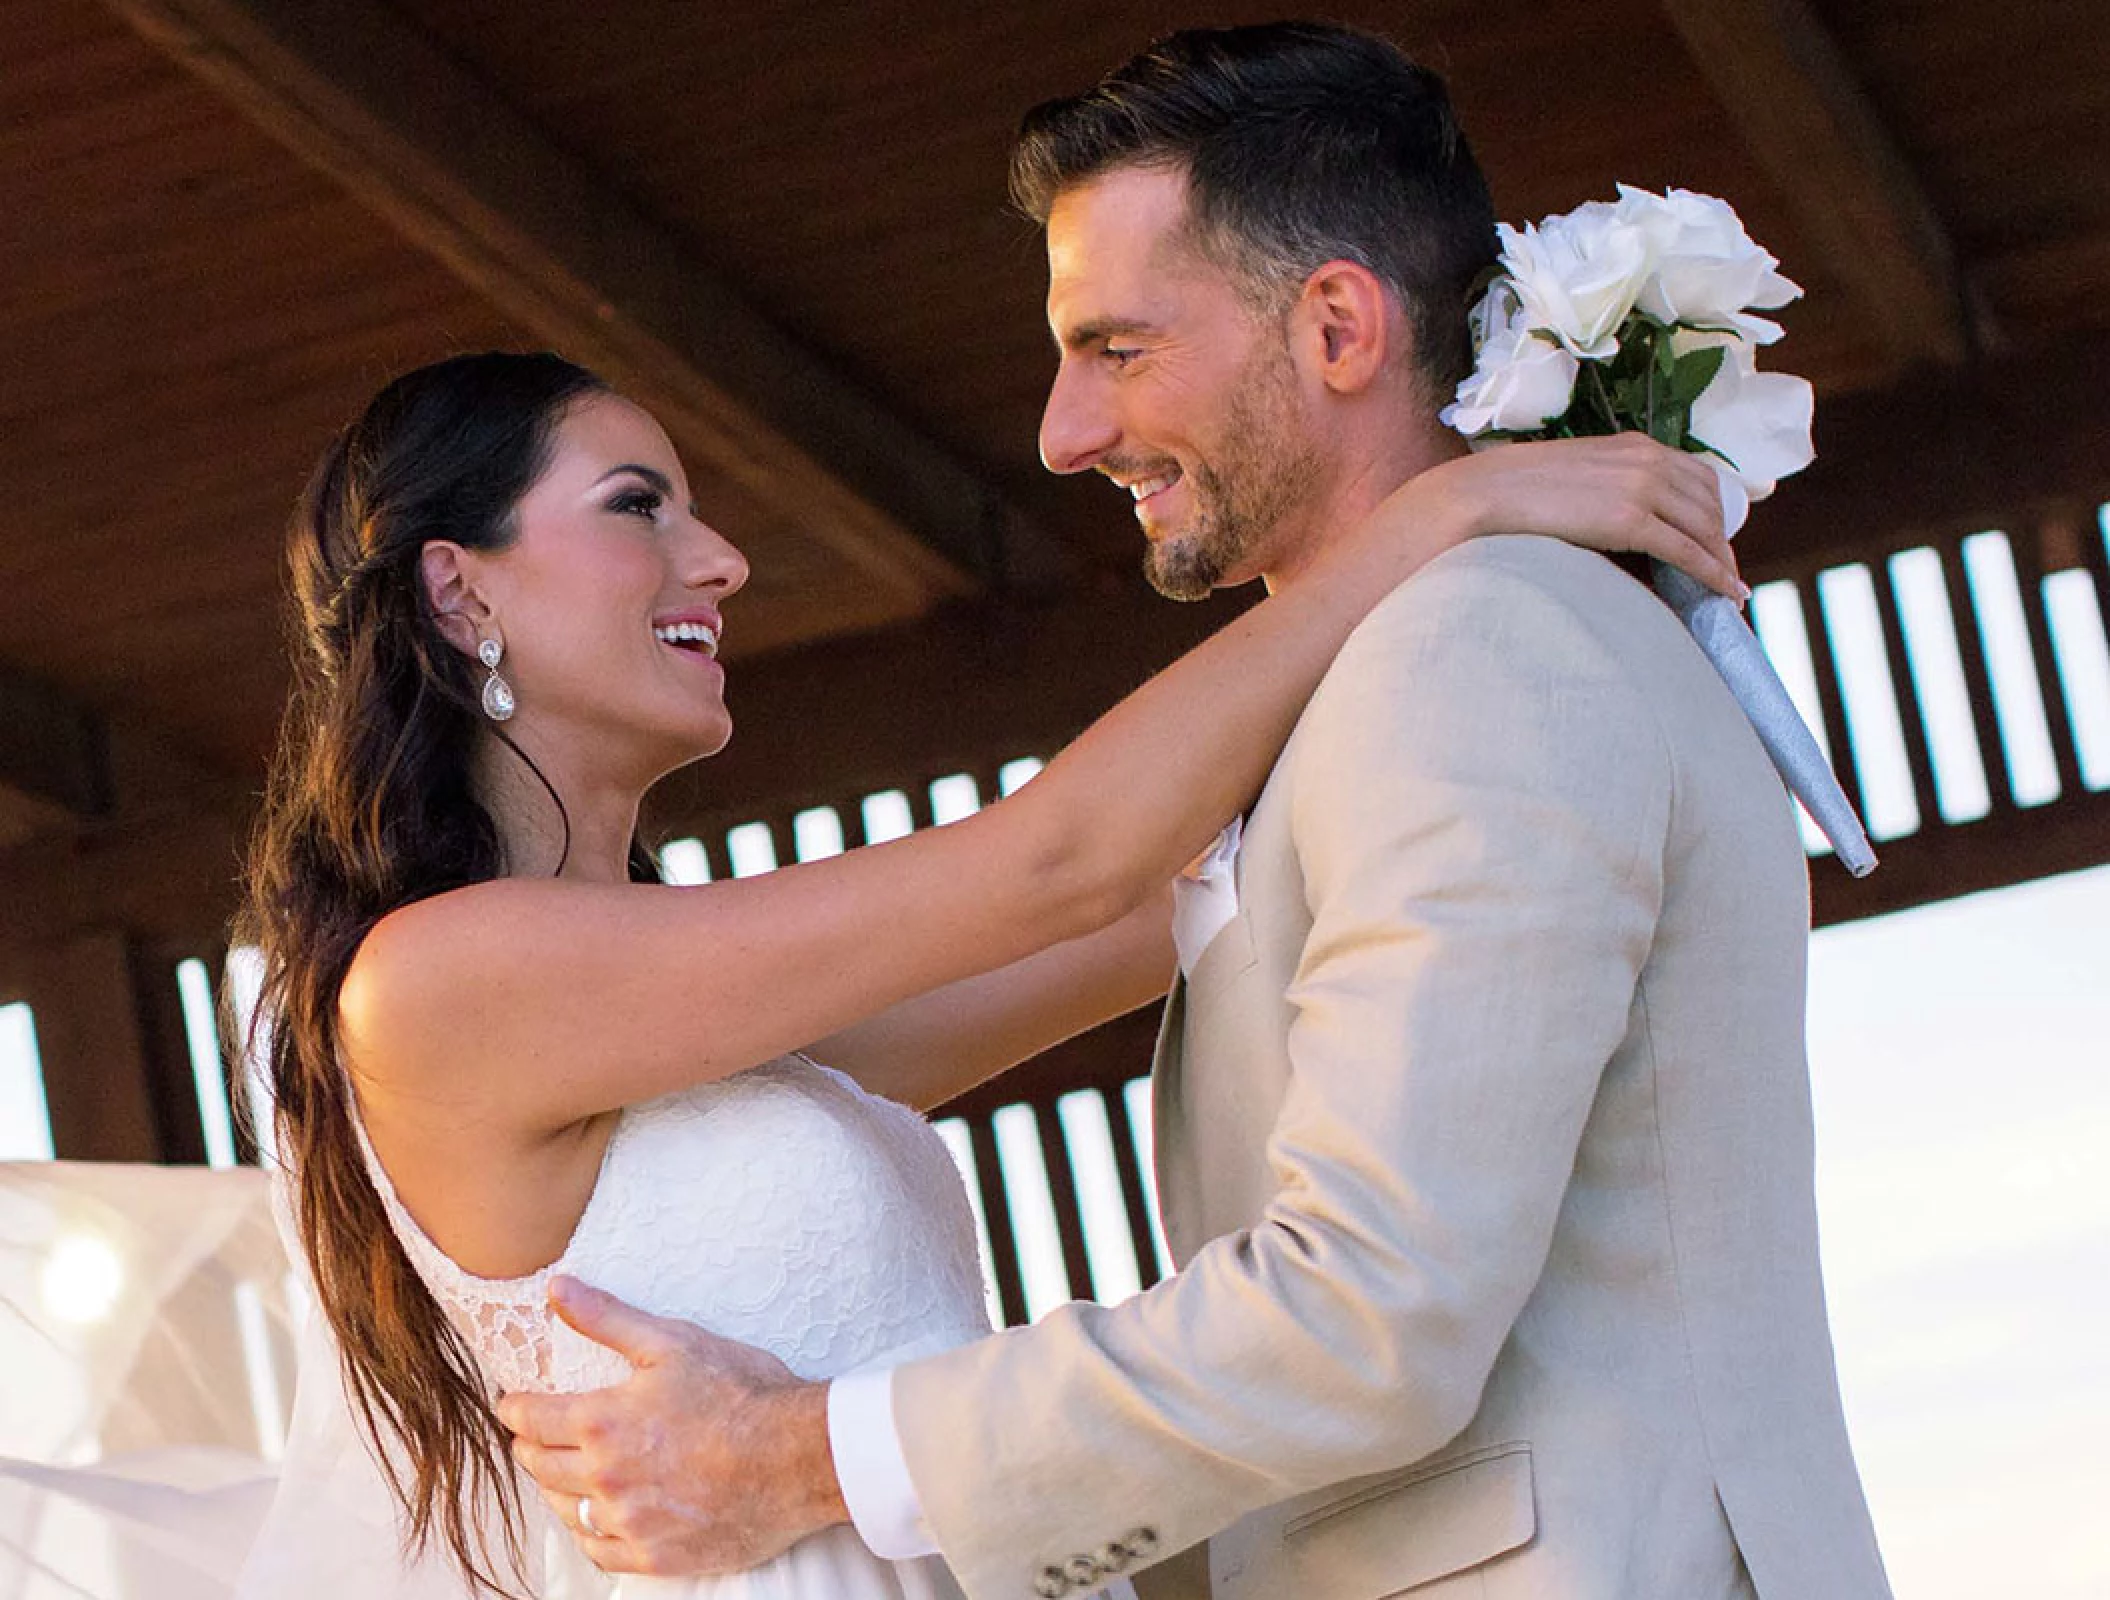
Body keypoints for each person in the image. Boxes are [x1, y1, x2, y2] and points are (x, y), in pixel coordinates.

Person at [499, 23, 1895, 1600]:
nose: (1060, 434)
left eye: (1115, 349)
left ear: (1340, 327)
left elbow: (1369, 1314)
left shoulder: (1476, 651)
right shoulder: (1372, 687)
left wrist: (802, 1456)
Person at [210, 340, 1731, 1600]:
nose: (720, 559)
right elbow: (1059, 861)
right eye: (638, 508)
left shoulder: (685, 1004)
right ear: (461, 590)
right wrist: (1433, 521)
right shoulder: (441, 984)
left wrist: (1491, 623)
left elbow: (1148, 914)